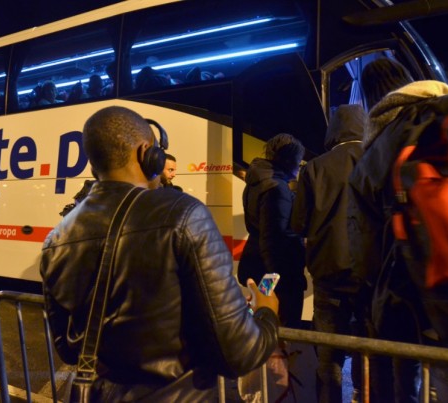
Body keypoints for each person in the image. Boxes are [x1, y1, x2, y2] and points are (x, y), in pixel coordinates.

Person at [40, 106, 280, 401]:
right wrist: (268, 313)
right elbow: (239, 352)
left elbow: (66, 346)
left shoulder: (57, 238)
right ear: (146, 153)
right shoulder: (183, 214)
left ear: (94, 166)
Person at [349, 58, 448, 403]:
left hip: (415, 298)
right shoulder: (442, 117)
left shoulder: (373, 155)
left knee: (409, 379)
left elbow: (365, 249)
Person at [290, 104, 366, 403]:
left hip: (327, 272)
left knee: (328, 351)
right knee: (367, 344)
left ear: (334, 131)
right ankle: (363, 394)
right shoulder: (376, 158)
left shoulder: (315, 167)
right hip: (367, 273)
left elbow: (298, 223)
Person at [238, 133, 306, 328]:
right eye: (298, 161)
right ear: (289, 160)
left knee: (260, 326)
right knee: (281, 329)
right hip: (276, 273)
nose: (299, 166)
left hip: (257, 264)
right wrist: (277, 282)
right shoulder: (277, 188)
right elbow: (274, 238)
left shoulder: (256, 182)